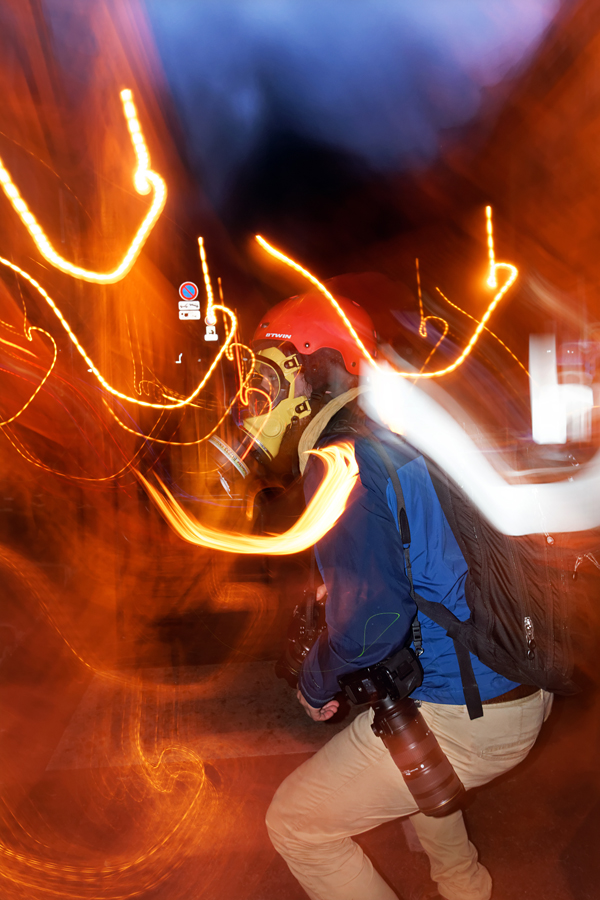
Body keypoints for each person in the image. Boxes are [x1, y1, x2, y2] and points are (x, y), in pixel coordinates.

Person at [251, 288, 553, 900]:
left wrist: (316, 681)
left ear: (315, 367)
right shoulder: (402, 427)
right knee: (418, 790)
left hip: (470, 714)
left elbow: (371, 625)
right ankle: (467, 889)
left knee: (297, 825)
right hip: (516, 678)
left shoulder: (341, 458)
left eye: (268, 371)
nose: (257, 392)